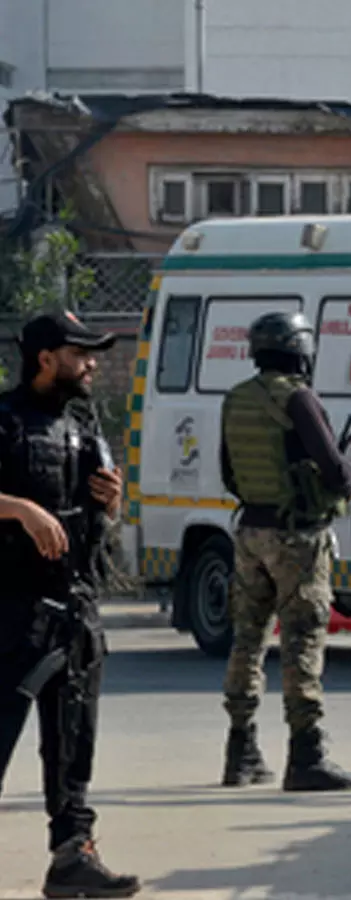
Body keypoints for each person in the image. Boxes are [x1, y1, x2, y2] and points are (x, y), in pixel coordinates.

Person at [0, 311, 139, 897]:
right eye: (80, 353)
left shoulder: (83, 426)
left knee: (72, 740)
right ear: (45, 358)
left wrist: (114, 499)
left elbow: (102, 516)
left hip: (74, 610)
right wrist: (18, 509)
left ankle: (71, 857)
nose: (91, 364)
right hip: (10, 612)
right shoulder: (4, 420)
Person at [218, 311, 351, 792]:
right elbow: (337, 471)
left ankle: (241, 751)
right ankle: (306, 755)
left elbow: (229, 474)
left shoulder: (235, 399)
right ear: (300, 350)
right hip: (297, 537)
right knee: (302, 638)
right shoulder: (298, 398)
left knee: (247, 639)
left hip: (250, 531)